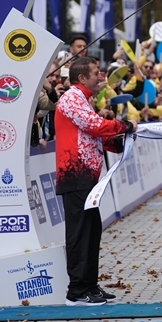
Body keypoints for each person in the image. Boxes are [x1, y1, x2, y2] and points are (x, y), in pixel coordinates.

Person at [54, 56, 133, 306]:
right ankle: (76, 292)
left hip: (89, 176)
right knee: (79, 234)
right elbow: (95, 126)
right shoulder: (71, 98)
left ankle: (89, 286)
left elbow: (93, 135)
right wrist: (124, 125)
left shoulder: (84, 100)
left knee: (91, 232)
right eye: (96, 73)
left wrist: (119, 142)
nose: (101, 77)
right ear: (82, 78)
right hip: (74, 174)